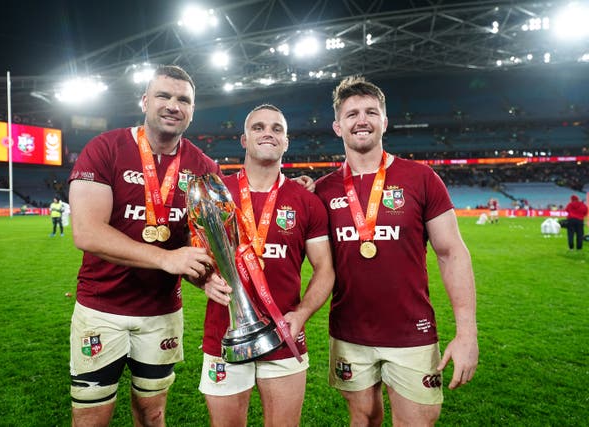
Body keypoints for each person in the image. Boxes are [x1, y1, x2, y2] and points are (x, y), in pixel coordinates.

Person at [314, 76, 478, 426]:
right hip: (348, 333)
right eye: (352, 113)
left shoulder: (421, 178)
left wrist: (467, 335)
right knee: (363, 418)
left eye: (371, 112)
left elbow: (452, 254)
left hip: (411, 332)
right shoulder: (322, 190)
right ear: (337, 126)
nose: (362, 120)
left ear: (384, 122)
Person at [67, 65, 219, 427]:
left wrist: (205, 274)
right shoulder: (106, 148)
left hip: (161, 314)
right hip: (101, 308)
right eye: (163, 96)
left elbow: (203, 241)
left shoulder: (203, 166)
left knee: (152, 414)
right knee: (90, 417)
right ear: (145, 100)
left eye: (184, 100)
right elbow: (87, 232)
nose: (173, 105)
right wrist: (165, 259)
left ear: (192, 110)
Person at [198, 104, 335, 426]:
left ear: (286, 142)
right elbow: (193, 255)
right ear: (244, 139)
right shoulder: (216, 193)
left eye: (277, 128)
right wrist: (202, 280)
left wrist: (301, 315)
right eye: (258, 127)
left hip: (284, 333)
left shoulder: (306, 200)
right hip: (225, 333)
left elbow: (325, 269)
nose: (268, 133)